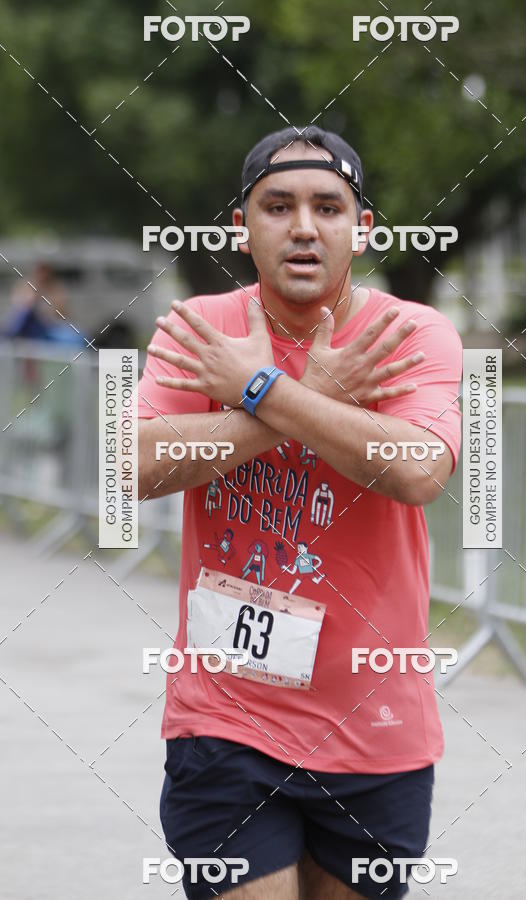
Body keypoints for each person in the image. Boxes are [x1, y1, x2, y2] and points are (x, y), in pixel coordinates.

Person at [136, 125, 462, 899]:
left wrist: (267, 390)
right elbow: (133, 465)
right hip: (225, 715)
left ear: (363, 228)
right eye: (277, 206)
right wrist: (300, 401)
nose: (305, 226)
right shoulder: (202, 329)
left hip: (376, 721)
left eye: (329, 206)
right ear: (242, 230)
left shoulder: (411, 334)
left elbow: (418, 471)